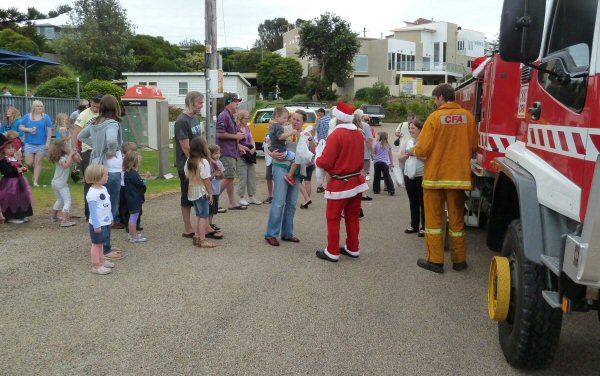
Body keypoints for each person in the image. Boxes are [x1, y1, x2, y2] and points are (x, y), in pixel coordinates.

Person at [410, 83, 477, 273]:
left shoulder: (435, 118)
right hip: (458, 178)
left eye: (435, 99)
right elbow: (473, 147)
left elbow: (423, 149)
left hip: (435, 178)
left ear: (440, 97)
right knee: (456, 222)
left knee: (434, 222)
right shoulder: (468, 117)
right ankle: (459, 261)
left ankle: (436, 261)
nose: (435, 102)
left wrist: (413, 150)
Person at [315, 102, 369, 262]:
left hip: (340, 183)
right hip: (357, 182)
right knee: (352, 217)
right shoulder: (359, 134)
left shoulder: (336, 135)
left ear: (338, 118)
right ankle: (353, 247)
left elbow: (325, 162)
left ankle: (332, 251)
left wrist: (317, 157)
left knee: (333, 218)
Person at [264, 109, 314, 246]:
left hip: (297, 170)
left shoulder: (306, 133)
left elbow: (313, 151)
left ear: (303, 122)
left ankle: (287, 233)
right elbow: (268, 142)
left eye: (298, 120)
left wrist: (310, 139)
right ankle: (271, 234)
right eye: (293, 119)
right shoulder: (282, 128)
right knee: (279, 202)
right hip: (281, 166)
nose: (295, 122)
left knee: (291, 203)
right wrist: (271, 154)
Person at [77, 95, 124, 230]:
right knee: (112, 196)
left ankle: (97, 219)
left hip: (97, 163)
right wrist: (110, 151)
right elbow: (111, 141)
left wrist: (97, 146)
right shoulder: (112, 123)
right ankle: (112, 220)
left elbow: (81, 136)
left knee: (98, 194)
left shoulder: (95, 122)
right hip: (111, 167)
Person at [174, 91, 205, 238]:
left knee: (199, 194)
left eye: (202, 102)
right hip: (188, 165)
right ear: (191, 102)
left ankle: (202, 225)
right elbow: (186, 147)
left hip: (198, 162)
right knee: (187, 196)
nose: (201, 105)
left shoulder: (196, 118)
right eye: (199, 102)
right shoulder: (181, 120)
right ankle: (188, 228)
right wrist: (196, 165)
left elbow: (199, 139)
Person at [72, 94, 101, 219]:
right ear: (90, 103)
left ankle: (102, 209)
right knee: (90, 181)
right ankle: (89, 213)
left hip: (101, 150)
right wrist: (75, 150)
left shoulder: (104, 113)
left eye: (97, 107)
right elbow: (76, 133)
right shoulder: (84, 115)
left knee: (103, 179)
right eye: (93, 106)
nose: (95, 109)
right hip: (88, 150)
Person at [216, 93, 246, 210]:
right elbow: (220, 134)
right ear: (229, 103)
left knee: (230, 177)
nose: (237, 105)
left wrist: (239, 146)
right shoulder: (224, 116)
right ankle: (212, 199)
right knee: (228, 177)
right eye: (235, 102)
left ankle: (232, 202)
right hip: (226, 152)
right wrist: (236, 136)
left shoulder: (230, 116)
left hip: (231, 151)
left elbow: (233, 135)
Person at [185, 137, 216, 248]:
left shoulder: (189, 160)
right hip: (202, 192)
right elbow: (206, 179)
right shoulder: (203, 162)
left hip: (192, 191)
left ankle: (196, 236)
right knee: (203, 216)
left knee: (198, 215)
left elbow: (187, 175)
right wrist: (211, 193)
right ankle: (202, 240)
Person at [84, 164, 115, 275]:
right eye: (106, 175)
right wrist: (96, 225)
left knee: (101, 242)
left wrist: (110, 217)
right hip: (98, 224)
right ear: (98, 177)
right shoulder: (92, 193)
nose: (108, 177)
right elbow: (92, 211)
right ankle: (96, 265)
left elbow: (107, 205)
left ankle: (102, 260)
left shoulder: (104, 188)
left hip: (105, 221)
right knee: (96, 243)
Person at [399, 120, 425, 236]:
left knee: (423, 202)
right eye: (410, 128)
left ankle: (424, 227)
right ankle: (414, 225)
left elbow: (428, 158)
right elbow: (400, 158)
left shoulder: (424, 142)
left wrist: (415, 153)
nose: (410, 130)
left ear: (420, 129)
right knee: (413, 201)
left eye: (413, 128)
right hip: (408, 175)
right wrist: (408, 154)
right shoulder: (408, 141)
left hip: (421, 176)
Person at [0, 134, 32, 224]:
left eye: (12, 148)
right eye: (9, 148)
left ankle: (22, 214)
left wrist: (22, 169)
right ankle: (11, 216)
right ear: (3, 150)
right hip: (9, 184)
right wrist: (17, 170)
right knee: (11, 199)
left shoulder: (14, 158)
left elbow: (18, 166)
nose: (12, 150)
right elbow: (7, 171)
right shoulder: (3, 160)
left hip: (20, 182)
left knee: (22, 198)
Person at [20, 100, 53, 187]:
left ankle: (35, 182)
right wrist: (29, 130)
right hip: (29, 143)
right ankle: (34, 173)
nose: (40, 108)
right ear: (34, 107)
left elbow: (49, 131)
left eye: (41, 106)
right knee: (29, 163)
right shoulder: (27, 116)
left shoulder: (46, 117)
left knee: (38, 163)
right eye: (38, 106)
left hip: (41, 144)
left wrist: (48, 143)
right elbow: (21, 127)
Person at [48, 139, 78, 227]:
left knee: (59, 200)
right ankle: (64, 221)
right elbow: (66, 165)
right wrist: (72, 154)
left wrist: (72, 156)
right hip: (61, 184)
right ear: (61, 148)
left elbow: (69, 163)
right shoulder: (62, 158)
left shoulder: (61, 157)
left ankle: (54, 217)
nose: (67, 146)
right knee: (67, 201)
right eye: (66, 145)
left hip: (55, 183)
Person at [236, 110, 261, 206]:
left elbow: (251, 138)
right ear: (241, 118)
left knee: (251, 176)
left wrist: (254, 147)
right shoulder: (236, 129)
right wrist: (244, 148)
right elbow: (235, 143)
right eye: (246, 117)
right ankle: (241, 197)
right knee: (243, 177)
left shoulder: (247, 127)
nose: (248, 119)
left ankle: (251, 196)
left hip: (250, 154)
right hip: (241, 155)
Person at [122, 150, 148, 243]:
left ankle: (132, 234)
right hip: (135, 198)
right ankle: (133, 236)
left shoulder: (127, 173)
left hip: (130, 197)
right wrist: (145, 179)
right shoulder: (133, 174)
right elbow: (141, 184)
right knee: (134, 217)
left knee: (132, 216)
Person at [357, 109, 375, 201]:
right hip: (364, 154)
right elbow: (369, 140)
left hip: (354, 154)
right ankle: (363, 193)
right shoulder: (365, 125)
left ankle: (356, 192)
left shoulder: (350, 125)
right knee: (364, 174)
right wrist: (372, 152)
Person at [208, 144, 225, 233]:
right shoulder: (208, 164)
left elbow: (222, 177)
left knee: (214, 210)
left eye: (219, 153)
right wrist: (215, 171)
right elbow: (208, 178)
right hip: (210, 191)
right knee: (210, 210)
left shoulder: (219, 162)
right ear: (210, 154)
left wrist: (220, 171)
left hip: (216, 190)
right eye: (215, 153)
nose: (218, 155)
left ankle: (210, 224)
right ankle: (208, 225)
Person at [372, 131, 395, 196]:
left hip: (377, 162)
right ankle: (391, 189)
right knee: (387, 176)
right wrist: (391, 163)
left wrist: (373, 157)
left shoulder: (376, 144)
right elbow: (390, 155)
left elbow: (373, 153)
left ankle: (376, 190)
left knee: (376, 176)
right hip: (385, 162)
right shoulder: (388, 145)